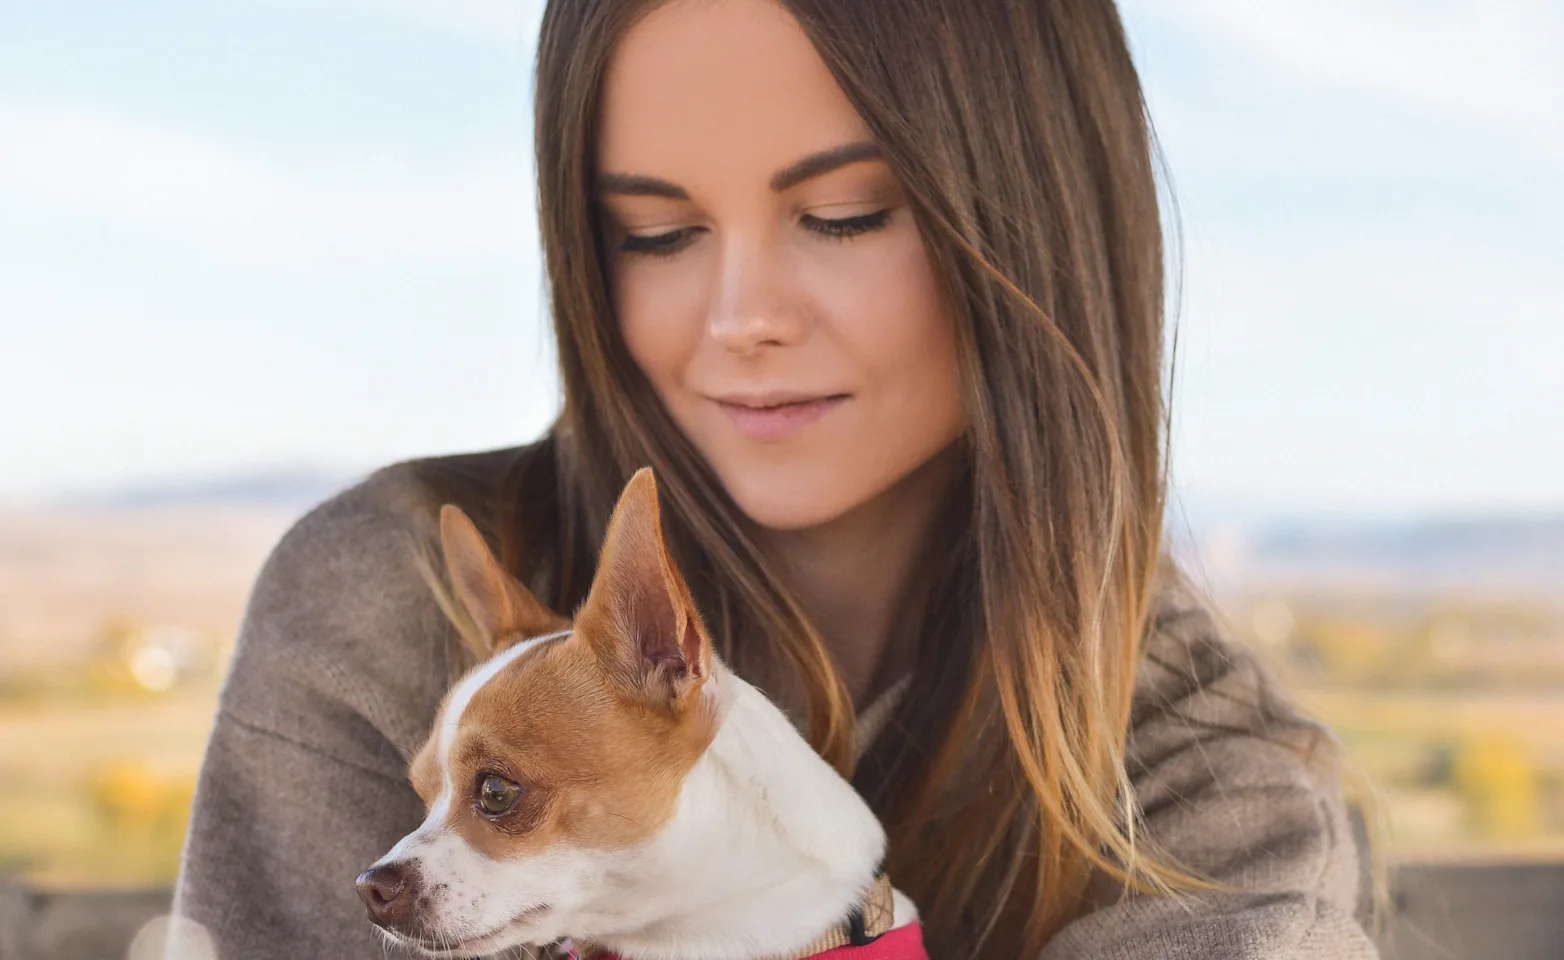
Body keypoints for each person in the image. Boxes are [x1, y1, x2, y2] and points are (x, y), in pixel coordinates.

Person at [173, 0, 1378, 956]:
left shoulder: (1214, 803)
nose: (742, 317)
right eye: (657, 232)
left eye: (846, 215)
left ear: (1042, 231)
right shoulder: (389, 603)